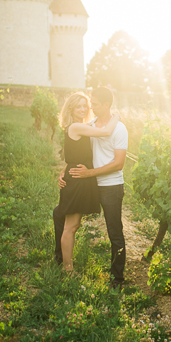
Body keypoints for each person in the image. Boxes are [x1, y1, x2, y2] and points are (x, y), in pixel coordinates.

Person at [68, 86, 128, 288]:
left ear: (106, 105)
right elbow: (76, 152)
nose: (90, 107)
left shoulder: (119, 128)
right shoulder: (91, 125)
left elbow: (119, 164)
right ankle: (63, 262)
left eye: (94, 104)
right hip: (90, 185)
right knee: (65, 217)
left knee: (114, 231)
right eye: (90, 103)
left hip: (111, 186)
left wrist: (89, 173)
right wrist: (63, 172)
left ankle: (117, 279)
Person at [54, 91, 120, 274]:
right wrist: (116, 116)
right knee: (71, 226)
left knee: (74, 225)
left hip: (79, 176)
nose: (83, 109)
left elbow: (73, 153)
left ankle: (65, 264)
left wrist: (64, 170)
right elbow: (106, 131)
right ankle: (67, 269)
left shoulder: (81, 126)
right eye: (78, 106)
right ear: (71, 109)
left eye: (86, 106)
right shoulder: (75, 126)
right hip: (77, 178)